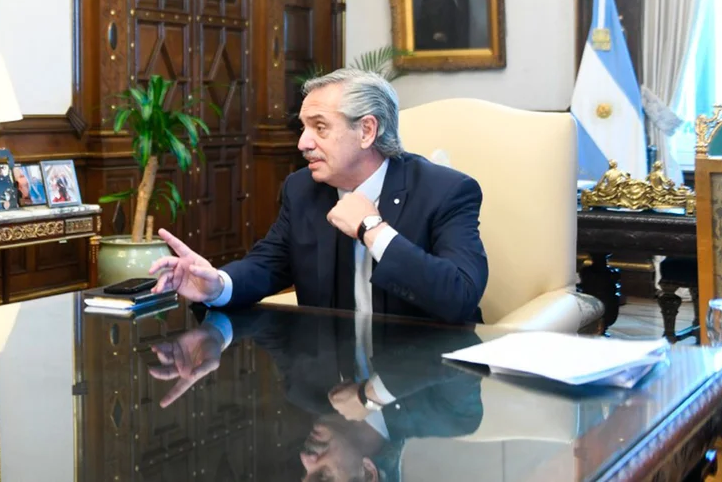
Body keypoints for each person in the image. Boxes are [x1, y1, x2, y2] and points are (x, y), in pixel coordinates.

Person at [149, 68, 488, 324]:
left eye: (320, 127)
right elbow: (268, 264)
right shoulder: (302, 189)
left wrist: (372, 229)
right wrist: (217, 285)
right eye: (304, 127)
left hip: (424, 381)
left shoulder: (446, 191)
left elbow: (460, 297)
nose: (303, 143)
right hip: (329, 380)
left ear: (367, 131)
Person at [148, 308, 483, 482]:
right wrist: (370, 396)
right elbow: (465, 350)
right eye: (323, 477)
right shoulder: (453, 418)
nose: (305, 459)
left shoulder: (303, 390)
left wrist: (216, 334)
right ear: (368, 473)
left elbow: (268, 317)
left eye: (304, 475)